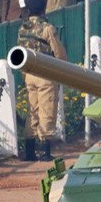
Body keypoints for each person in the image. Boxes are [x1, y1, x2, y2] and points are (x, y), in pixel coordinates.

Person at [17, 12, 67, 161]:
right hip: (45, 74)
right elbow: (60, 55)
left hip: (29, 73)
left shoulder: (23, 28)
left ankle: (30, 151)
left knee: (32, 111)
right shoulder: (47, 28)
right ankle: (45, 152)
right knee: (47, 110)